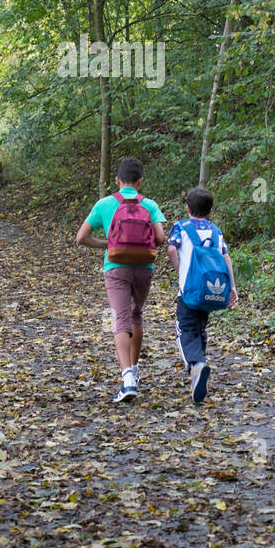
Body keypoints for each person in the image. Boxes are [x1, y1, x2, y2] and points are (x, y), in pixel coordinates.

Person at [76, 157, 166, 403]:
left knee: (120, 318)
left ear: (117, 181)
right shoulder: (150, 204)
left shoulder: (105, 203)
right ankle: (134, 372)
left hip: (115, 266)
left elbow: (81, 237)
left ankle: (126, 379)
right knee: (137, 315)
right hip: (144, 267)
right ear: (140, 182)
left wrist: (106, 245)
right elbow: (160, 237)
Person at [166, 185, 238, 404]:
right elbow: (226, 257)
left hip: (189, 292)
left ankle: (197, 364)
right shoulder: (216, 231)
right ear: (211, 211)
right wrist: (232, 287)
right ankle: (200, 365)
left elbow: (171, 249)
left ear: (187, 208)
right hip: (211, 292)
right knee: (199, 328)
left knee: (185, 330)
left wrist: (180, 271)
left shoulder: (181, 227)